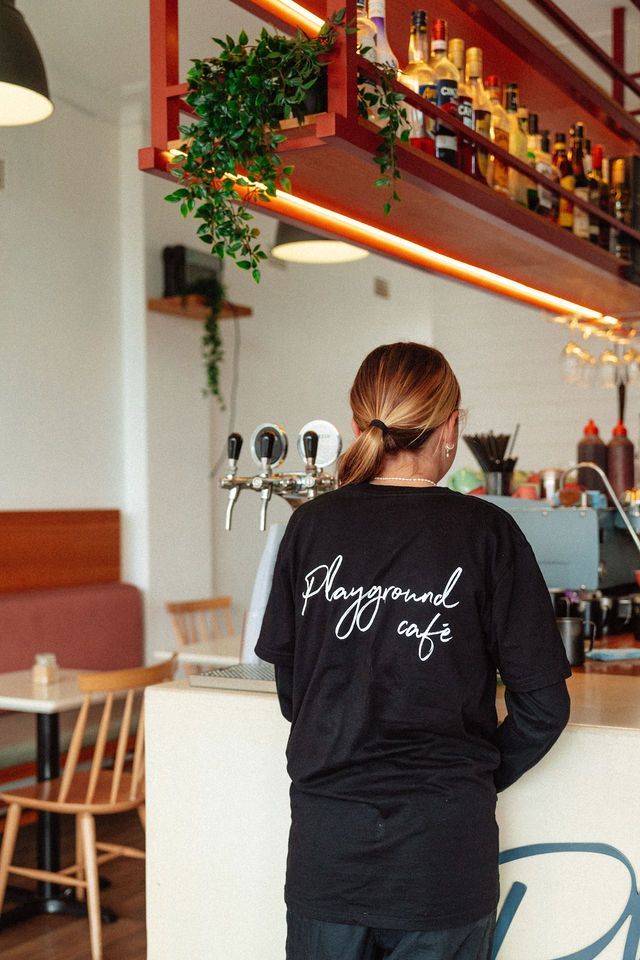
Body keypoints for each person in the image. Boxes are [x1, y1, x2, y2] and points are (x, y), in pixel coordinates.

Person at [255, 342, 571, 960]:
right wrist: (472, 777)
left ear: (357, 425)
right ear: (451, 428)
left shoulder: (310, 527)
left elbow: (296, 694)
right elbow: (544, 709)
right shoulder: (489, 533)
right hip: (444, 857)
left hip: (329, 854)